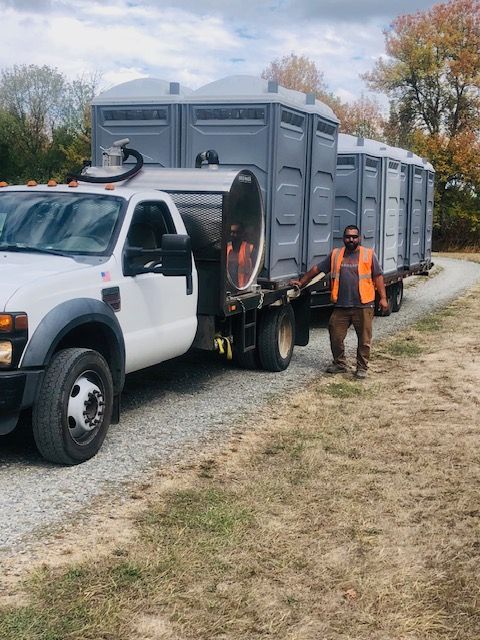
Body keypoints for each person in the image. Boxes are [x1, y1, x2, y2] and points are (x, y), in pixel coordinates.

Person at [290, 225, 389, 379]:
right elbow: (317, 269)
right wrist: (301, 282)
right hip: (341, 305)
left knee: (364, 339)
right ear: (343, 238)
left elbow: (378, 277)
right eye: (348, 237)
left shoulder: (368, 255)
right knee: (335, 335)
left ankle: (361, 368)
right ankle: (339, 364)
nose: (351, 239)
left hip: (363, 305)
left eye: (354, 237)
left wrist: (383, 298)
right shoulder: (336, 255)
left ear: (359, 238)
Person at [226, 222, 254, 289]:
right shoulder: (226, 249)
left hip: (244, 288)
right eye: (231, 232)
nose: (232, 235)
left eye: (235, 232)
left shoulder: (250, 249)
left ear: (242, 234)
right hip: (229, 288)